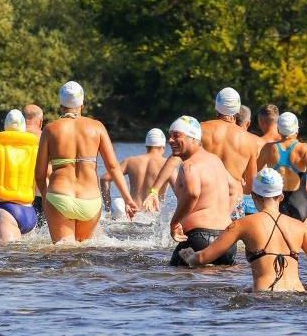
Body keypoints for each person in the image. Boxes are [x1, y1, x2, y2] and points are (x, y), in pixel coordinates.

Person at [181, 169, 307, 293]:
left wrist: (189, 256)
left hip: (265, 299)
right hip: (298, 295)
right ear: (281, 197)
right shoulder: (300, 228)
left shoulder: (242, 224)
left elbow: (203, 258)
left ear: (253, 196)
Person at [35, 81, 137, 242]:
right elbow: (112, 166)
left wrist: (47, 200)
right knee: (83, 255)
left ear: (61, 104)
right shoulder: (97, 127)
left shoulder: (50, 129)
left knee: (63, 254)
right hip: (90, 199)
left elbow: (40, 175)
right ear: (82, 104)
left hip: (60, 196)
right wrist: (128, 199)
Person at [149, 87, 260, 218]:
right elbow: (250, 188)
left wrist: (154, 191)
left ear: (216, 107)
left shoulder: (200, 130)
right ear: (237, 109)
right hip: (232, 203)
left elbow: (174, 159)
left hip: (203, 199)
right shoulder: (250, 140)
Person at [163, 116, 238, 267]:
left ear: (193, 138)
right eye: (170, 136)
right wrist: (224, 215)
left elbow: (193, 193)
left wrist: (174, 223)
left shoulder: (189, 165)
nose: (170, 140)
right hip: (226, 241)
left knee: (174, 282)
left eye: (176, 135)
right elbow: (235, 188)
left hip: (199, 239)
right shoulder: (215, 160)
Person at [256, 112, 307, 224]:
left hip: (277, 207)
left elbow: (254, 173)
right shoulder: (304, 149)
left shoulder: (267, 148)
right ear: (297, 130)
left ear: (279, 130)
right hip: (301, 206)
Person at [0, 109, 40, 241]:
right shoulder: (35, 150)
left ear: (5, 126)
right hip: (30, 211)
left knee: (6, 256)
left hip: (7, 210)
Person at [102, 128, 169, 219]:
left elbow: (104, 179)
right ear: (163, 147)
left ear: (146, 146)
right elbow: (181, 189)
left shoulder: (130, 161)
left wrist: (108, 208)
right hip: (152, 217)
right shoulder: (168, 165)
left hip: (132, 214)